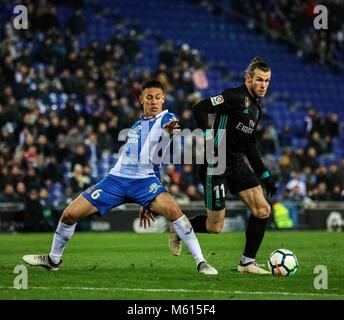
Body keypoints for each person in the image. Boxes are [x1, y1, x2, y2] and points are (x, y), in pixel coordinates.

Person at [22, 80, 217, 275]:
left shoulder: (167, 117)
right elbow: (153, 159)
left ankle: (201, 262)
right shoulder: (137, 125)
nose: (154, 101)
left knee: (174, 211)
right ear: (141, 99)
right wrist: (145, 204)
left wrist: (169, 131)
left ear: (163, 99)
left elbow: (169, 130)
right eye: (149, 97)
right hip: (114, 180)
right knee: (69, 214)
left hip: (144, 182)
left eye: (158, 97)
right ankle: (53, 259)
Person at [162, 57, 277, 274]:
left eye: (267, 81)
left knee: (262, 210)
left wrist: (264, 173)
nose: (263, 85)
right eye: (259, 80)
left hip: (236, 164)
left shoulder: (256, 109)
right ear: (248, 78)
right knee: (214, 227)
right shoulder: (233, 96)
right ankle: (178, 228)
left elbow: (250, 144)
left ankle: (247, 263)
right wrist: (206, 136)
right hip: (216, 164)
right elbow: (200, 108)